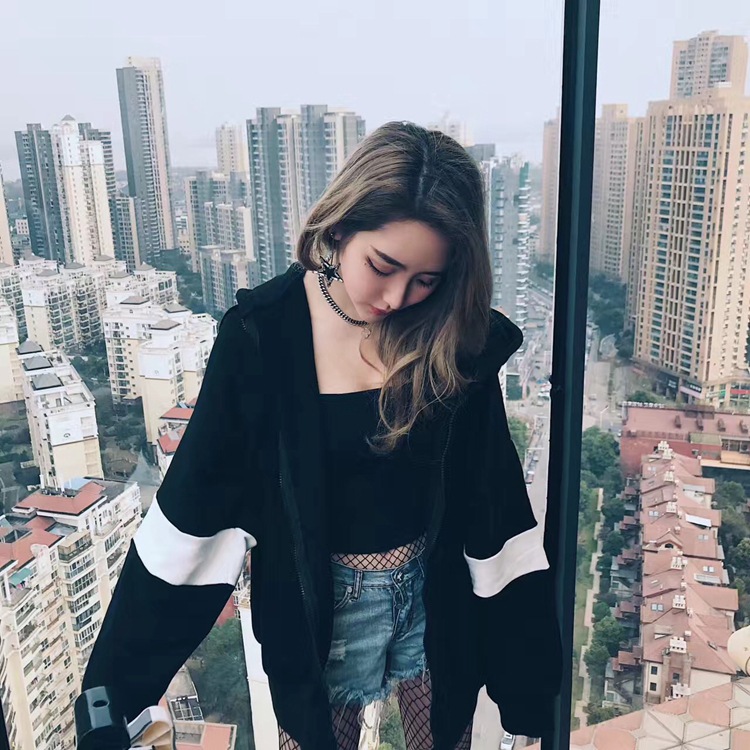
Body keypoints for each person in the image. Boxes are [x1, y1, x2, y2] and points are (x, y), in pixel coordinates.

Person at [81, 121, 562, 750]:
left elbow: (494, 503)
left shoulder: (450, 336)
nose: (398, 297)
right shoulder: (263, 338)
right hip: (323, 615)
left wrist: (528, 687)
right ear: (338, 229)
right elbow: (196, 511)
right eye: (383, 266)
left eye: (427, 279)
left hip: (435, 598)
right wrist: (112, 695)